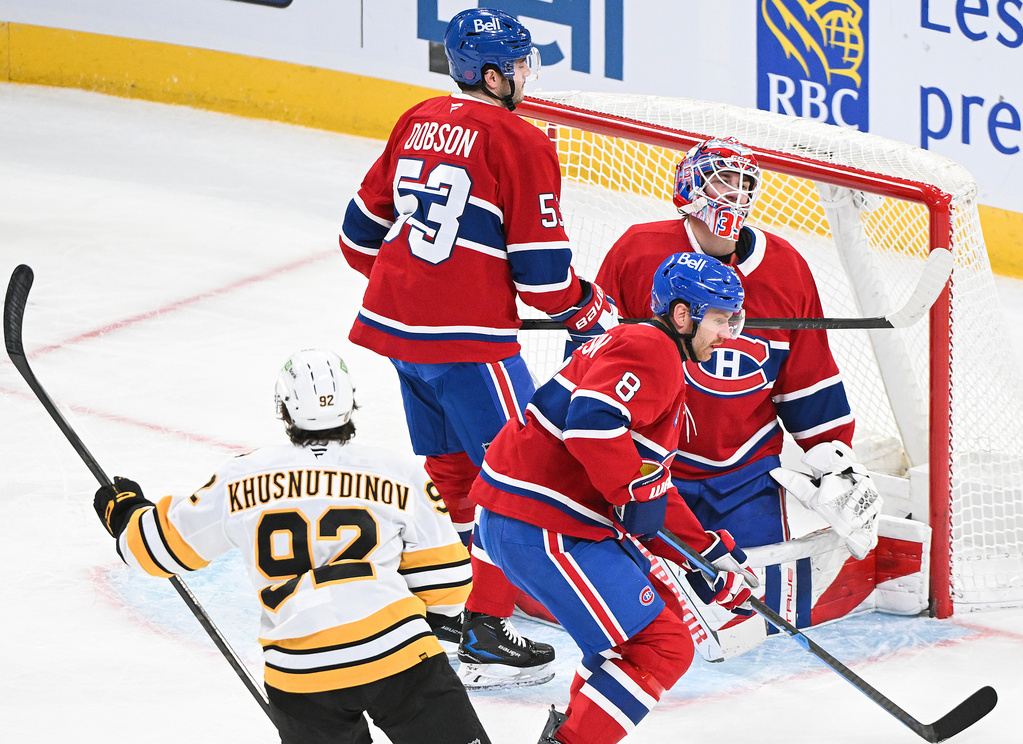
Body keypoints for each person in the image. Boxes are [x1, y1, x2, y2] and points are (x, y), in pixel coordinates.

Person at [338, 7, 616, 689]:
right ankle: (487, 630)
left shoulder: (416, 118)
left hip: (397, 333)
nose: (528, 74)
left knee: (456, 472)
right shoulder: (520, 140)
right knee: (521, 478)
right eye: (520, 64)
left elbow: (354, 237)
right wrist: (588, 308)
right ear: (491, 75)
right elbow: (546, 278)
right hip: (467, 345)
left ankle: (449, 605)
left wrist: (421, 285)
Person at [93, 349, 491, 744]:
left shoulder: (241, 477)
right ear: (352, 401)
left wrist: (128, 514)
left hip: (301, 673)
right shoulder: (396, 472)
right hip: (400, 658)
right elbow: (448, 584)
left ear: (283, 407)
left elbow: (155, 550)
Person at [594, 137, 881, 652]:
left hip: (745, 472)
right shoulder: (638, 251)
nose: (735, 192)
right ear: (690, 184)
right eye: (723, 178)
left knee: (759, 617)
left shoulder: (787, 266)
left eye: (745, 181)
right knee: (647, 614)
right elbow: (594, 359)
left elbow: (807, 375)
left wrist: (837, 462)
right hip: (655, 466)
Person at [467, 254, 759, 744]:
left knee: (649, 630)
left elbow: (648, 483)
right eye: (720, 318)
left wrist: (708, 555)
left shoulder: (645, 348)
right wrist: (633, 490)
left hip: (534, 520)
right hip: (543, 526)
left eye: (734, 319)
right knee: (659, 646)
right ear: (683, 315)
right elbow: (591, 424)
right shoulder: (652, 347)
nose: (729, 333)